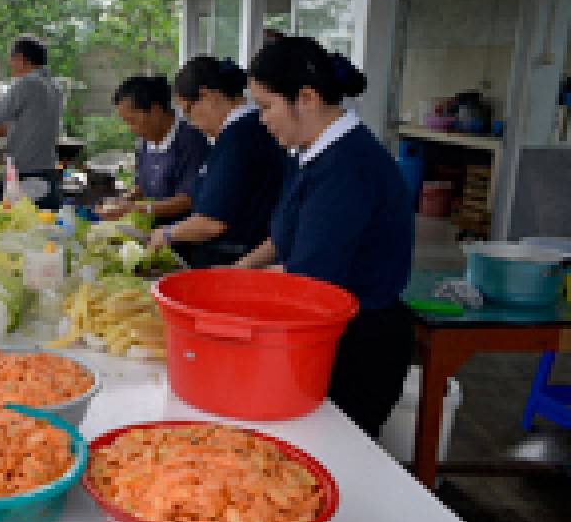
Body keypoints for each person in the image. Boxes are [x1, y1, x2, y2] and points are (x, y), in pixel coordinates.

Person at [237, 36, 414, 436]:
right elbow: (285, 236)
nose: (262, 119)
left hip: (359, 346)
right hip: (324, 334)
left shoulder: (348, 167)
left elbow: (309, 277)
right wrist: (240, 268)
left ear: (307, 98)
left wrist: (231, 289)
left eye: (266, 106)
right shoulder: (309, 153)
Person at [149, 56, 287, 268]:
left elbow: (212, 222)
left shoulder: (239, 137)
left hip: (236, 257)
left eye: (188, 111)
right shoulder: (240, 133)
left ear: (207, 96)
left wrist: (167, 233)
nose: (192, 123)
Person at [95, 75, 210, 228]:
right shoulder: (145, 140)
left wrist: (135, 208)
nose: (131, 129)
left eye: (132, 121)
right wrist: (123, 201)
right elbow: (142, 185)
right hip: (152, 231)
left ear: (155, 111)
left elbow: (188, 199)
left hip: (181, 236)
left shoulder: (192, 141)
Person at [0, 35, 64, 210]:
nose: (10, 64)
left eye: (11, 59)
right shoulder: (54, 87)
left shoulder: (27, 83)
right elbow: (23, 126)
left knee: (2, 222)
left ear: (21, 59)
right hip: (47, 174)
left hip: (27, 175)